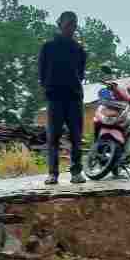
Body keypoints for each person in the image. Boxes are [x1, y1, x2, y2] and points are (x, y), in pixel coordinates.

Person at [39, 11, 87, 185]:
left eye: (73, 24)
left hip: (74, 97)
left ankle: (76, 172)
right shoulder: (48, 47)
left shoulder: (79, 49)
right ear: (60, 24)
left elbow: (81, 75)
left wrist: (72, 85)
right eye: (67, 24)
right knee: (53, 137)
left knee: (76, 137)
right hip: (54, 98)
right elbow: (41, 73)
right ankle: (53, 173)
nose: (71, 27)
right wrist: (50, 88)